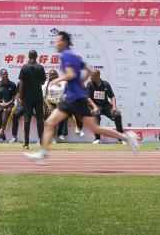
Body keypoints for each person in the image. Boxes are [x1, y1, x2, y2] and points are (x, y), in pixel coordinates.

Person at [24, 31, 138, 164]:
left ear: (64, 43)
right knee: (92, 128)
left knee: (50, 123)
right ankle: (126, 137)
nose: (55, 43)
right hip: (76, 97)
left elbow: (71, 74)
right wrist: (81, 82)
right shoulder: (73, 56)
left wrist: (58, 80)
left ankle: (43, 154)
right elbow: (90, 70)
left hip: (74, 98)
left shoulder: (65, 55)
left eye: (58, 41)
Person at [14, 50, 46, 148]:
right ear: (37, 56)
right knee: (40, 119)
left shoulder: (24, 67)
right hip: (38, 97)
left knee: (27, 119)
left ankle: (26, 143)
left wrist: (20, 97)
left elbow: (22, 85)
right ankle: (42, 141)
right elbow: (43, 82)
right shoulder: (40, 67)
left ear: (28, 56)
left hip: (27, 97)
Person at [87, 69, 124, 143]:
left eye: (92, 76)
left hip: (106, 106)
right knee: (95, 115)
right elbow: (88, 98)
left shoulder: (106, 84)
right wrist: (94, 107)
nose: (91, 77)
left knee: (117, 115)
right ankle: (97, 139)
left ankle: (121, 139)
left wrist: (114, 107)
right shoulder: (89, 84)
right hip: (96, 106)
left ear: (97, 76)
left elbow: (112, 97)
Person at [42, 69, 69, 141]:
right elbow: (44, 97)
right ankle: (52, 137)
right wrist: (48, 104)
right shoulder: (46, 84)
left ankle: (61, 133)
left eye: (55, 74)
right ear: (49, 76)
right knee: (51, 113)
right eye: (51, 75)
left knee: (64, 112)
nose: (53, 76)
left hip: (60, 102)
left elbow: (67, 92)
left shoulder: (63, 82)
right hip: (50, 103)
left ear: (58, 75)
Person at [0, 69, 17, 142]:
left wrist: (7, 103)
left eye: (6, 74)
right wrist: (0, 104)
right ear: (0, 75)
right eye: (3, 74)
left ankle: (2, 129)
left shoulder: (12, 84)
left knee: (9, 111)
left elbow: (13, 98)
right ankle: (1, 131)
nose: (5, 75)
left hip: (9, 104)